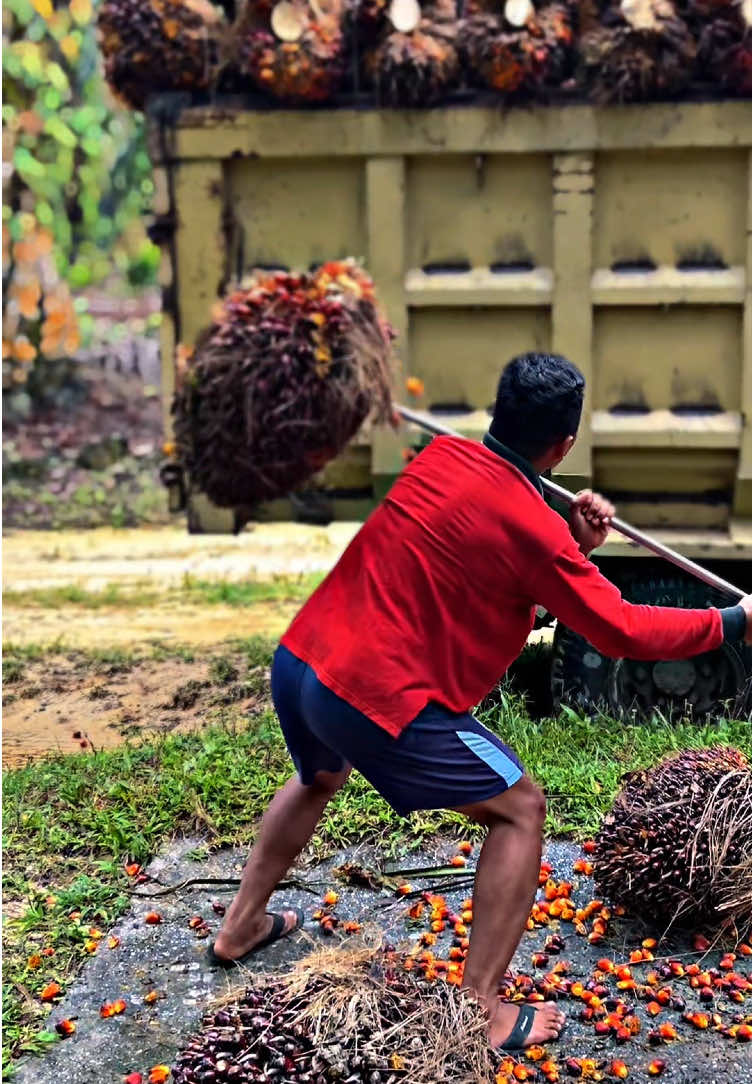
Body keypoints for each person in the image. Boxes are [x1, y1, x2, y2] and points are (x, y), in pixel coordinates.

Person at [210, 352, 752, 1052]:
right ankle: (477, 1011)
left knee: (317, 778)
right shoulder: (533, 527)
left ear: (498, 413)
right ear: (564, 444)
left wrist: (571, 547)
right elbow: (619, 631)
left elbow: (482, 572)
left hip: (305, 661)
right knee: (520, 810)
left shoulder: (439, 458)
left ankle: (240, 925)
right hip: (373, 695)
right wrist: (734, 621)